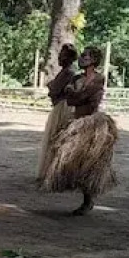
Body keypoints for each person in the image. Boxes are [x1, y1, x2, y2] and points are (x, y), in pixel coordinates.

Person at [41, 46, 119, 215]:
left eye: (85, 56)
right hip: (77, 122)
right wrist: (77, 95)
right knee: (74, 161)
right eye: (82, 55)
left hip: (92, 124)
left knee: (90, 162)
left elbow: (87, 97)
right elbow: (71, 100)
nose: (81, 58)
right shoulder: (76, 78)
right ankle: (84, 196)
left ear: (94, 60)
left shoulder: (99, 78)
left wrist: (76, 94)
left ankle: (88, 200)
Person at [37, 43, 79, 188]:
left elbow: (54, 90)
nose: (60, 59)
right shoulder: (66, 72)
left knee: (56, 137)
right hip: (61, 106)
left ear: (69, 58)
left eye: (63, 56)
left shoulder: (68, 73)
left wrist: (51, 86)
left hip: (62, 107)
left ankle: (57, 173)